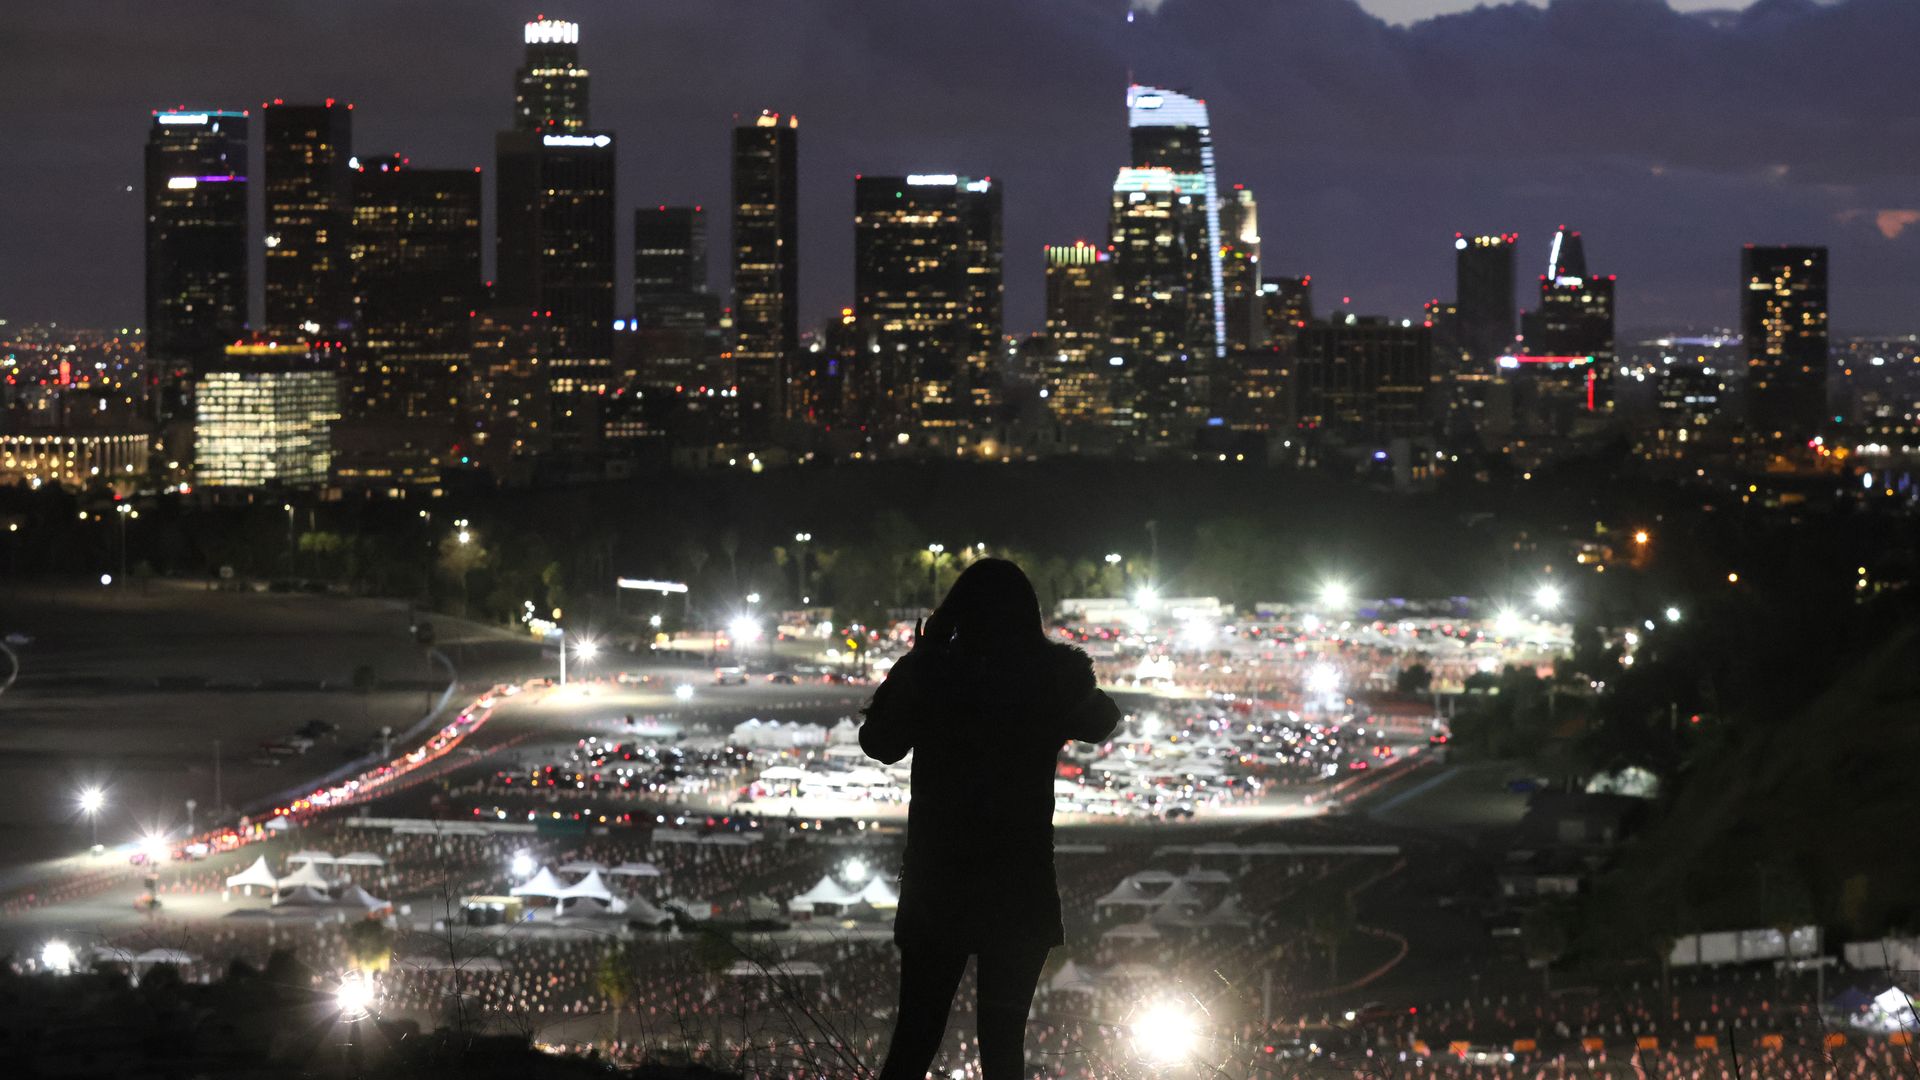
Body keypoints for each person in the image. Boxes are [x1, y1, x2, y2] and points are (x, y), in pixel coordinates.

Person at [861, 558, 1120, 1079]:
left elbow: (878, 743)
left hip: (941, 883)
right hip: (1018, 885)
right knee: (1004, 1048)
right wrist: (1057, 669)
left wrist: (923, 655)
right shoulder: (1049, 679)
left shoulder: (935, 672)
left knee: (915, 1038)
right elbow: (1103, 720)